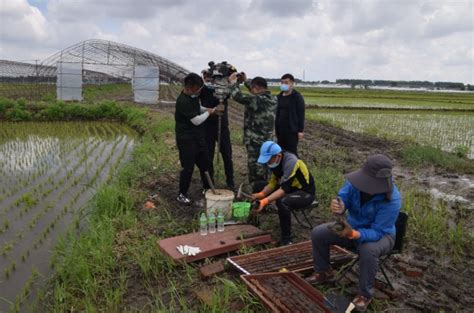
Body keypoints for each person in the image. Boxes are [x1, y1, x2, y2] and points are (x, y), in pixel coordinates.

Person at [308, 154, 401, 312]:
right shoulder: (356, 183)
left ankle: (364, 294)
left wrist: (354, 234)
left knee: (368, 250)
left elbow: (377, 232)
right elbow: (343, 196)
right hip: (351, 227)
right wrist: (340, 205)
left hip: (382, 236)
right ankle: (324, 272)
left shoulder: (392, 200)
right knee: (319, 233)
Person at [251, 141, 315, 245]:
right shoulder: (275, 162)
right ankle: (254, 219)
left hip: (305, 193)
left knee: (282, 201)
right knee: (258, 185)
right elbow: (272, 183)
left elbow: (283, 190)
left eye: (268, 160)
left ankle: (287, 239)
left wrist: (265, 201)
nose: (267, 163)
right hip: (290, 188)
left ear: (278, 156)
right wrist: (261, 194)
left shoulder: (291, 162)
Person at [228, 73, 277, 187]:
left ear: (257, 88)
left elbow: (237, 96)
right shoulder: (273, 98)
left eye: (253, 88)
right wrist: (246, 81)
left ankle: (257, 193)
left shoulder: (257, 100)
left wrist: (233, 83)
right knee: (266, 166)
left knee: (256, 168)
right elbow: (255, 90)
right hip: (267, 140)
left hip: (256, 142)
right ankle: (266, 189)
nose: (251, 90)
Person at [175, 72, 216, 205]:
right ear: (190, 88)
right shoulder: (182, 101)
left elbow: (198, 108)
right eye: (198, 89)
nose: (200, 91)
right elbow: (196, 121)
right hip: (186, 139)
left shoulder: (192, 97)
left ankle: (207, 188)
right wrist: (209, 113)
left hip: (198, 138)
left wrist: (207, 109)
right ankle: (182, 194)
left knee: (206, 164)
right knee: (188, 167)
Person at [200, 70, 235, 189]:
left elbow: (231, 91)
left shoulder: (222, 89)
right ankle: (208, 184)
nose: (208, 79)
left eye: (210, 77)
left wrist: (231, 79)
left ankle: (230, 182)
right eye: (206, 77)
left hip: (222, 127)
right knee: (207, 156)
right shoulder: (202, 89)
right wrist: (210, 110)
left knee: (227, 155)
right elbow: (196, 105)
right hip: (207, 127)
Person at [275, 73, 305, 155]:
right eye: (282, 83)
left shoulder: (297, 97)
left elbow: (301, 114)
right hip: (280, 130)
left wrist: (300, 131)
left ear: (292, 84)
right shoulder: (279, 97)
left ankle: (295, 167)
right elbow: (276, 113)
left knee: (292, 153)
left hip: (292, 131)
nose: (283, 84)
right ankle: (282, 167)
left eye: (286, 82)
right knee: (280, 152)